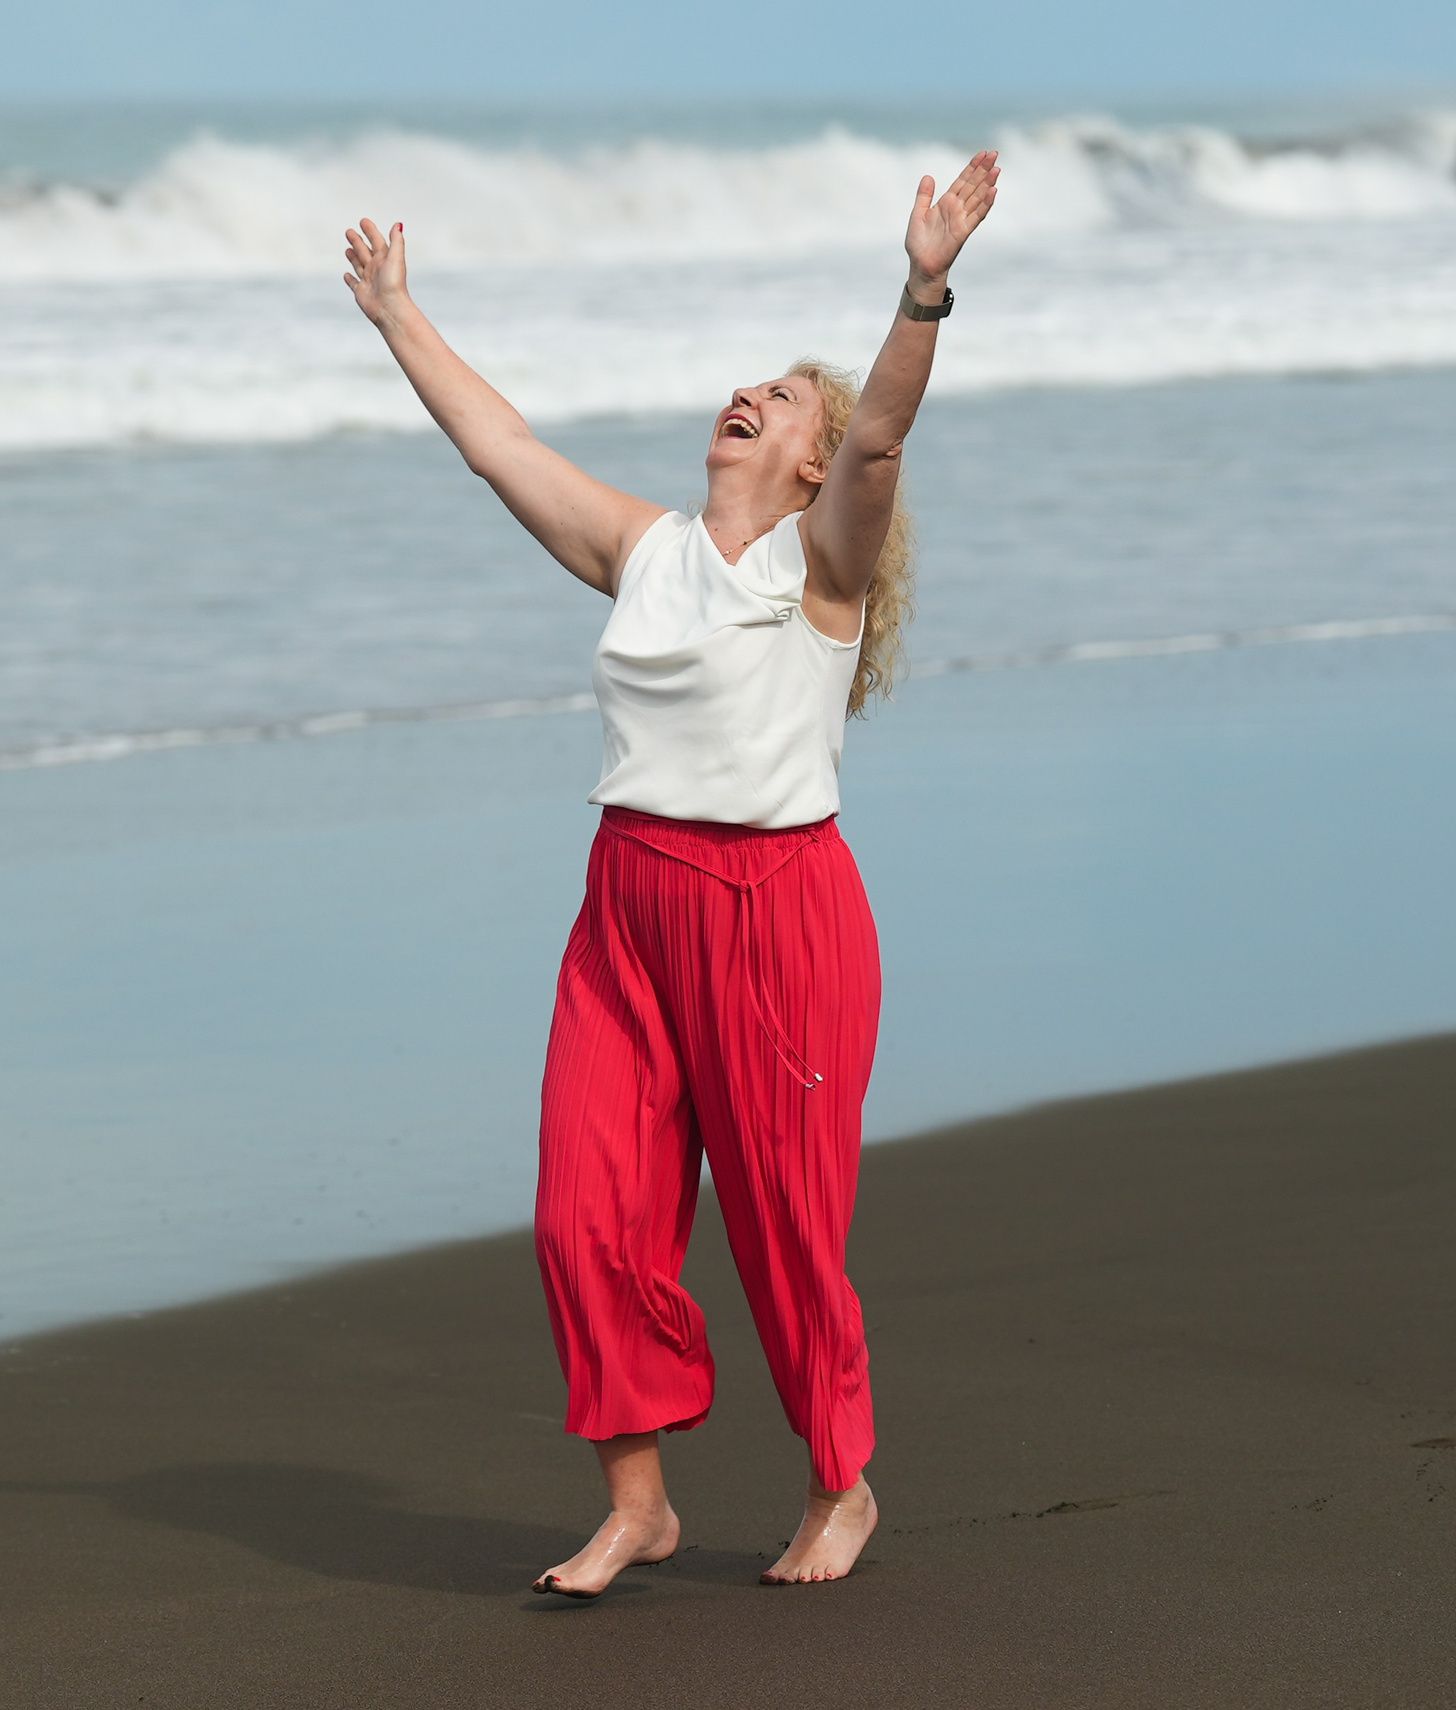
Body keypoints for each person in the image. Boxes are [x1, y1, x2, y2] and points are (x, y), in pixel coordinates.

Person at [342, 148, 1000, 1595]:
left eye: (785, 396)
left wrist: (923, 289)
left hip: (779, 920)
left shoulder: (818, 575)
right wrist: (398, 315)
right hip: (626, 910)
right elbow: (499, 446)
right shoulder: (645, 554)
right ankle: (637, 1502)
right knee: (587, 1208)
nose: (752, 394)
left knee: (781, 1229)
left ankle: (843, 1483)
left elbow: (883, 438)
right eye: (751, 382)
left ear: (808, 465)